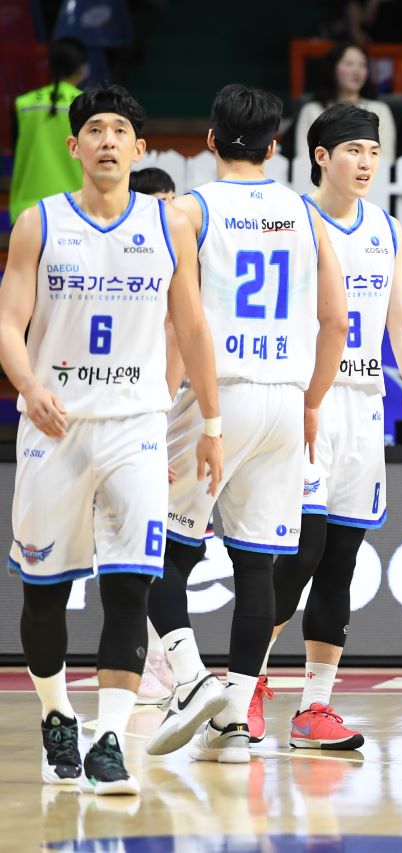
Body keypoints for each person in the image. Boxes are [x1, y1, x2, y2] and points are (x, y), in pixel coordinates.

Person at [0, 85, 223, 794]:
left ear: (139, 147)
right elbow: (8, 321)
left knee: (130, 586)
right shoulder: (39, 222)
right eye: (94, 129)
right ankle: (56, 712)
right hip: (54, 430)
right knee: (45, 594)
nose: (106, 140)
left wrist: (210, 423)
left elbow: (192, 327)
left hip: (136, 428)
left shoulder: (168, 225)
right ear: (74, 147)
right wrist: (28, 385)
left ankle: (109, 741)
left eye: (119, 130)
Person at [144, 84, 348, 765]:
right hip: (286, 399)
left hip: (218, 395)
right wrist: (312, 400)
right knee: (257, 564)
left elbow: (186, 326)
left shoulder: (188, 209)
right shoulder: (305, 212)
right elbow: (336, 320)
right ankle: (233, 722)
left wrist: (196, 414)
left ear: (209, 140)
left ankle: (189, 678)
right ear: (275, 146)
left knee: (153, 546)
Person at [252, 103, 402, 750]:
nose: (365, 162)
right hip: (307, 400)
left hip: (364, 404)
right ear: (321, 156)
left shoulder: (386, 230)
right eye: (353, 150)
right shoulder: (291, 221)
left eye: (373, 151)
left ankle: (315, 708)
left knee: (341, 559)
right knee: (303, 549)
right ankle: (246, 678)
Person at [127, 164, 182, 707]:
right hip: (134, 416)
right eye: (156, 201)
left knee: (169, 545)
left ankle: (160, 654)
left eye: (172, 199)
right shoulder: (126, 268)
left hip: (174, 416)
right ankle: (140, 659)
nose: (167, 209)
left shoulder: (183, 260)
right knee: (133, 544)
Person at [8, 38, 89, 221]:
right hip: (75, 208)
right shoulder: (89, 105)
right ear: (82, 69)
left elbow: (15, 152)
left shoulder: (23, 104)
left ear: (50, 66)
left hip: (28, 209)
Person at [293, 42, 396, 163]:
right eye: (349, 64)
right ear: (332, 68)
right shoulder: (312, 110)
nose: (357, 71)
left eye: (362, 65)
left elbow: (386, 159)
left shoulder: (380, 110)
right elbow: (304, 160)